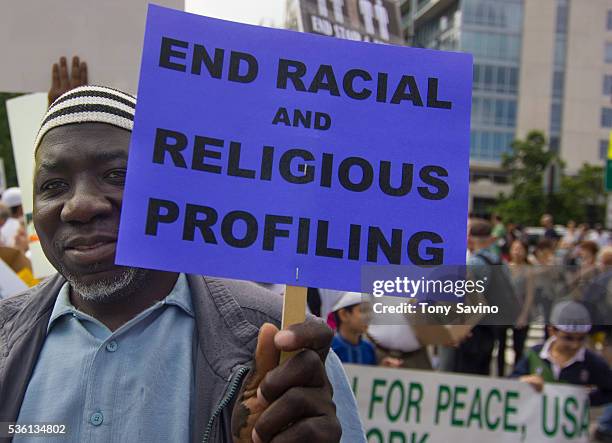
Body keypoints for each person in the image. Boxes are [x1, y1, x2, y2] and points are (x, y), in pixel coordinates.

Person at [0, 85, 364, 443]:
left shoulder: (281, 346)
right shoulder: (6, 335)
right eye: (54, 185)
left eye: (117, 175)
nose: (79, 205)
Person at [512, 301, 612, 407]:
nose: (575, 345)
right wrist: (523, 381)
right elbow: (510, 383)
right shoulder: (534, 355)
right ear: (552, 331)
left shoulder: (590, 361)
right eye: (568, 338)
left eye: (581, 339)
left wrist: (585, 400)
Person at [497, 240, 534, 375]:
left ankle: (516, 374)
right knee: (501, 346)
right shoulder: (504, 267)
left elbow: (530, 295)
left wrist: (524, 315)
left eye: (520, 249)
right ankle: (500, 374)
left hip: (520, 311)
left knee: (518, 347)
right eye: (514, 248)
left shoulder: (528, 270)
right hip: (504, 312)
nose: (517, 252)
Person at [330, 292, 376, 365]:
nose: (369, 317)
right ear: (343, 314)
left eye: (369, 311)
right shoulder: (329, 348)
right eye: (363, 310)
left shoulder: (368, 348)